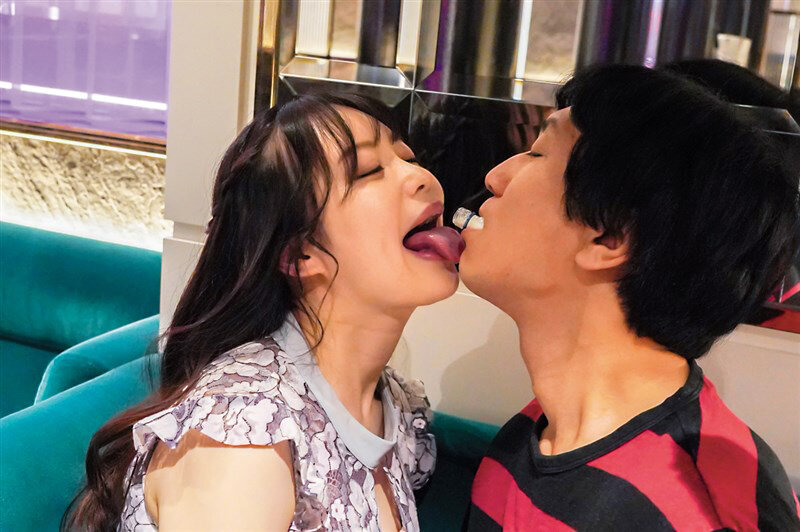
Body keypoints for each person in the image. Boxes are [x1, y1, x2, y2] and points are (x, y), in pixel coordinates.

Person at [63, 93, 465, 531]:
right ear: (300, 253)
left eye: (408, 157)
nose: (420, 177)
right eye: (369, 170)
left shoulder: (396, 410)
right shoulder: (243, 434)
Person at [459, 64, 800, 530]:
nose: (496, 177)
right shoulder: (531, 437)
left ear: (610, 238)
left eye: (537, 155)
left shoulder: (699, 508)